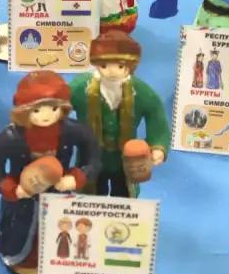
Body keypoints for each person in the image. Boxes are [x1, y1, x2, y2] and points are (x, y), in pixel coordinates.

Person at [0, 71, 100, 274]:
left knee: (58, 229)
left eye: (53, 109)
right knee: (18, 228)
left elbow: (93, 157)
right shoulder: (10, 138)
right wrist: (11, 188)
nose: (45, 116)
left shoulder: (74, 132)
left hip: (59, 193)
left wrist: (76, 177)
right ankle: (21, 257)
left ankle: (55, 257)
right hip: (23, 197)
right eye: (36, 110)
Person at [68, 31, 169, 198]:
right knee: (90, 197)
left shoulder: (140, 92)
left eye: (120, 66)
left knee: (123, 196)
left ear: (130, 66)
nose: (112, 72)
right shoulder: (81, 88)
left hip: (125, 161)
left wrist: (158, 146)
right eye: (104, 66)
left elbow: (155, 114)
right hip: (91, 158)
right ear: (96, 64)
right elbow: (60, 106)